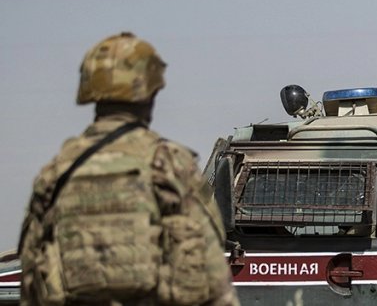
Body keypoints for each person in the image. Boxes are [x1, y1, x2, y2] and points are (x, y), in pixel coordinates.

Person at [18, 32, 238, 306]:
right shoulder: (167, 164)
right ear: (152, 90)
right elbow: (211, 274)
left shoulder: (55, 173)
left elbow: (31, 276)